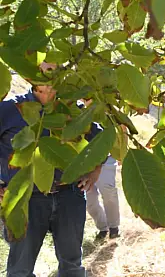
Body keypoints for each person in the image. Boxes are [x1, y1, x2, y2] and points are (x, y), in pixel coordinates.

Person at [0, 62, 103, 277]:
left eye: (54, 71)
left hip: (69, 195)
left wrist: (95, 170)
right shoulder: (10, 109)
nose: (48, 76)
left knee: (72, 267)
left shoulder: (73, 109)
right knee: (20, 270)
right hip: (26, 197)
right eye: (43, 71)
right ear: (31, 75)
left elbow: (100, 140)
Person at [86, 155, 120, 240]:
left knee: (109, 193)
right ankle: (103, 228)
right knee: (90, 200)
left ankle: (114, 228)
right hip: (83, 161)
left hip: (105, 158)